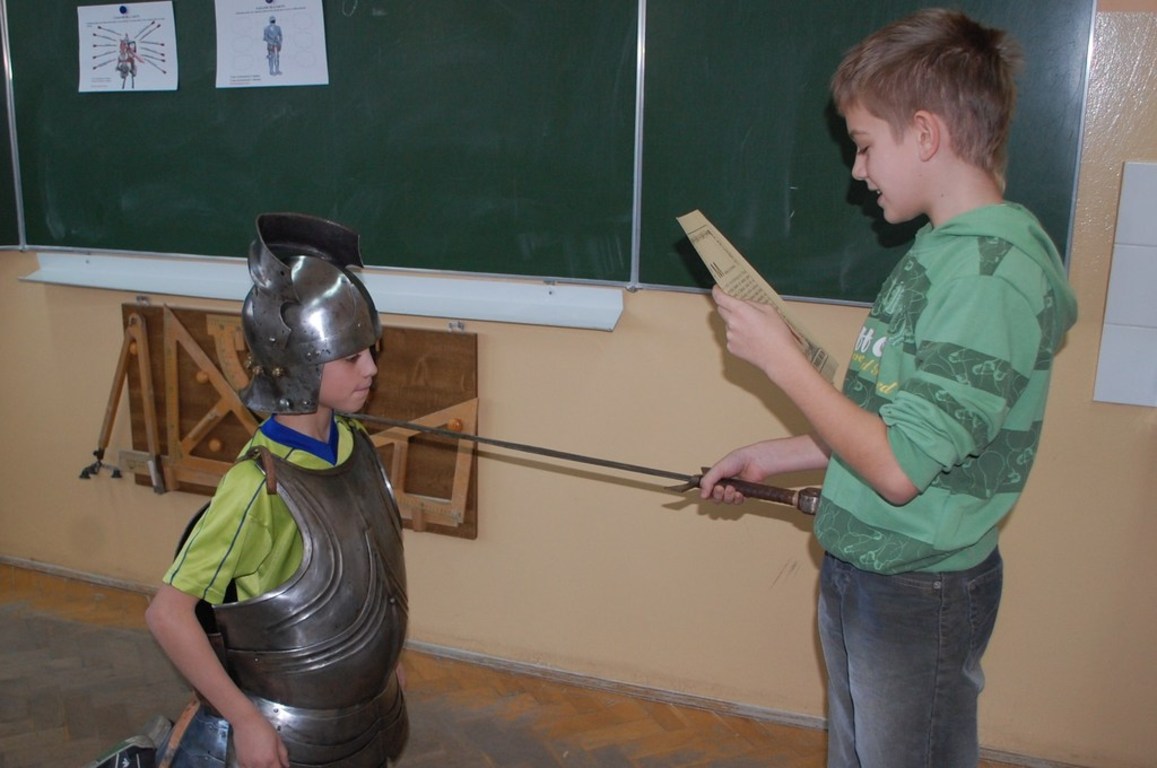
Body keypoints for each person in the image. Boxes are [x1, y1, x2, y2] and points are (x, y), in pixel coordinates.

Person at [698, 9, 1077, 768]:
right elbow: (890, 423)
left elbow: (899, 470)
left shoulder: (989, 276)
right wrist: (776, 456)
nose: (858, 171)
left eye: (866, 146)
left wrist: (783, 362)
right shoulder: (944, 250)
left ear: (926, 134)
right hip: (868, 566)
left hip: (918, 591)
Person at [90, 213, 409, 768]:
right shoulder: (257, 484)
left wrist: (381, 661)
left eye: (371, 351)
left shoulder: (355, 445)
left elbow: (371, 577)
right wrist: (244, 719)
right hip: (292, 730)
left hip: (369, 713)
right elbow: (168, 614)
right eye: (352, 356)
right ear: (299, 364)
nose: (371, 369)